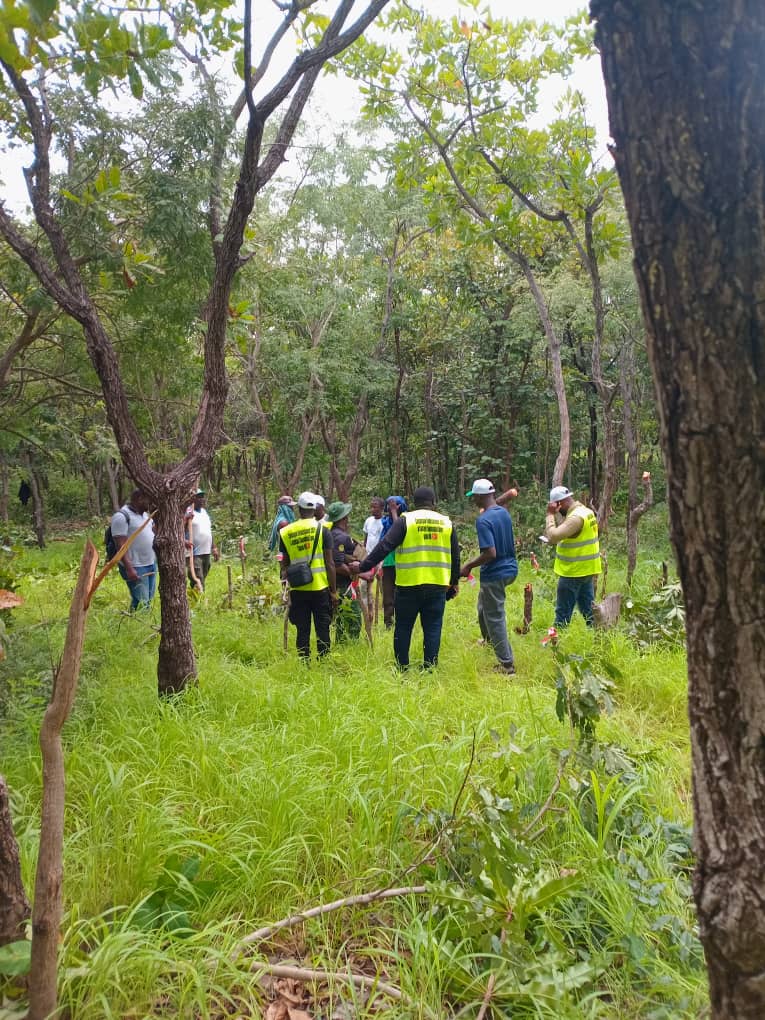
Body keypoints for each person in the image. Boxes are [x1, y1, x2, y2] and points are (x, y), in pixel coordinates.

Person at [359, 486, 460, 670]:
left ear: (414, 503)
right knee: (433, 628)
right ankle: (430, 668)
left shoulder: (406, 520)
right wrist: (453, 583)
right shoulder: (446, 523)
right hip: (437, 585)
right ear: (434, 502)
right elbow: (455, 556)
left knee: (403, 627)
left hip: (408, 585)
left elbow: (384, 546)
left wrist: (363, 566)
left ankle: (402, 668)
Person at [461, 478, 518, 675]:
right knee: (482, 606)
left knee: (494, 617)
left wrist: (468, 565)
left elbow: (490, 553)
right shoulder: (503, 512)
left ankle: (507, 665)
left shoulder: (483, 520)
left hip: (496, 573)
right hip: (511, 568)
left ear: (479, 496)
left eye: (474, 496)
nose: (473, 500)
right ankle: (487, 640)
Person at [279, 491, 338, 660]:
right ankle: (324, 660)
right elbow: (330, 563)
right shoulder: (323, 530)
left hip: (298, 587)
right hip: (320, 587)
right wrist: (333, 591)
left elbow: (284, 563)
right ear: (315, 509)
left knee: (302, 628)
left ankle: (304, 661)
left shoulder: (286, 532)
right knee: (322, 627)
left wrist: (285, 586)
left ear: (299, 509)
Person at [544, 485, 602, 627]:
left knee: (562, 613)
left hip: (573, 572)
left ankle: (555, 644)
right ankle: (601, 637)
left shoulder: (575, 518)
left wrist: (550, 515)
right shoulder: (586, 511)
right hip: (587, 570)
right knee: (588, 610)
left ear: (559, 503)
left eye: (557, 508)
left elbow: (553, 536)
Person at [111, 489, 156, 611]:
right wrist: (129, 568)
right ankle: (140, 626)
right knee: (143, 602)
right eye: (148, 500)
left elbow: (154, 533)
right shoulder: (121, 517)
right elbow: (120, 545)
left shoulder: (146, 516)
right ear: (139, 499)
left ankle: (132, 621)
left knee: (146, 600)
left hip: (150, 563)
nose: (151, 503)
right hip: (135, 566)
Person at [327, 500, 362, 642]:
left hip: (338, 585)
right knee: (354, 618)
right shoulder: (341, 537)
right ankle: (350, 645)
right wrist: (354, 571)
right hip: (343, 586)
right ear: (343, 518)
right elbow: (337, 565)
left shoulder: (332, 534)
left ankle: (341, 645)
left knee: (342, 619)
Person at [379, 495, 407, 628]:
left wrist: (395, 512)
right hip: (388, 564)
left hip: (403, 563)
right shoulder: (385, 523)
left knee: (402, 595)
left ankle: (402, 622)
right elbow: (382, 544)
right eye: (389, 508)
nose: (390, 511)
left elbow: (399, 531)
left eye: (394, 508)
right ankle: (388, 623)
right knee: (388, 596)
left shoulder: (406, 521)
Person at [185, 489, 219, 591]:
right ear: (192, 499)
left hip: (206, 552)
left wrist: (214, 547)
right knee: (197, 578)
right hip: (194, 553)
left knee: (202, 577)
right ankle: (200, 601)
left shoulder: (204, 512)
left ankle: (195, 597)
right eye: (199, 497)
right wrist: (184, 540)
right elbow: (179, 529)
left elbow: (208, 531)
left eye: (202, 497)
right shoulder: (188, 512)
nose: (202, 499)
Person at [360, 497, 385, 619]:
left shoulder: (384, 522)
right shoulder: (368, 521)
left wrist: (381, 562)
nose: (372, 509)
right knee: (364, 585)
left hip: (380, 558)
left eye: (375, 507)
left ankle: (384, 610)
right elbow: (366, 538)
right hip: (368, 557)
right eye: (371, 507)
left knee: (382, 586)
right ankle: (366, 609)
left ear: (381, 508)